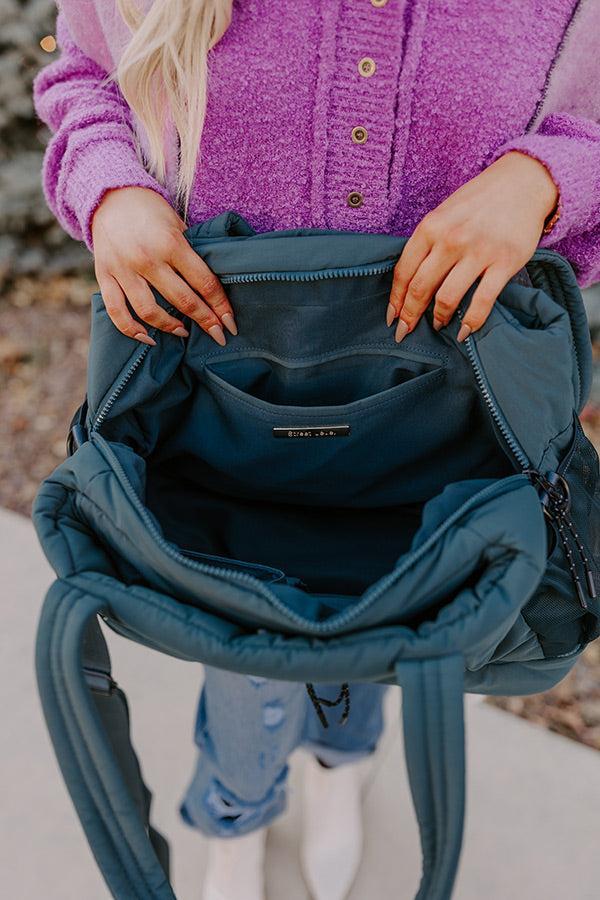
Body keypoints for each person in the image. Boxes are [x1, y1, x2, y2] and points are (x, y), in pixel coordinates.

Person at [32, 2, 600, 898]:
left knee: (396, 579)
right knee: (242, 621)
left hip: (443, 417)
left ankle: (344, 757)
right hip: (216, 414)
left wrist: (546, 177)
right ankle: (236, 809)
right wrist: (112, 186)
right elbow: (83, 77)